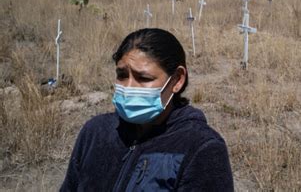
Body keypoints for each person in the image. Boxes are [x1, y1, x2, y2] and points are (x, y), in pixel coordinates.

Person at [61, 28, 234, 191]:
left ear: (177, 80)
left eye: (143, 78)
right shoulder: (95, 131)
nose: (128, 87)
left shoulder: (201, 148)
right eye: (122, 75)